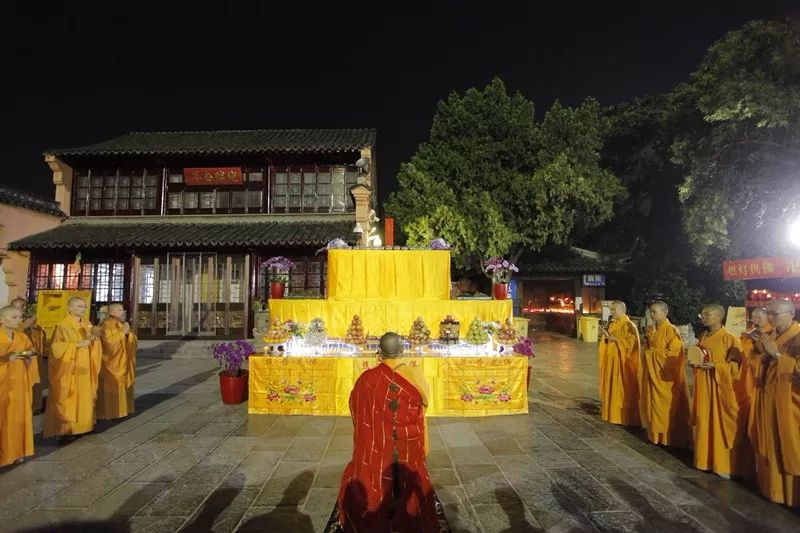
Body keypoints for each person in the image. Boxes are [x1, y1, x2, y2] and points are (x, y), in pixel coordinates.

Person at [337, 332, 438, 532]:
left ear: (379, 353)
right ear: (402, 351)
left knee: (376, 459)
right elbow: (421, 407)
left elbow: (356, 405)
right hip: (407, 443)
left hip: (377, 447)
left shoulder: (367, 379)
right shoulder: (414, 374)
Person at [749, 299, 800, 506]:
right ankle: (772, 489)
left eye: (774, 314)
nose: (769, 318)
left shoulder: (797, 336)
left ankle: (792, 495)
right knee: (768, 441)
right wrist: (757, 347)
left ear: (792, 314)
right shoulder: (770, 335)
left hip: (789, 402)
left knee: (790, 445)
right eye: (768, 314)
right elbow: (756, 359)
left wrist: (777, 356)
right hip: (768, 397)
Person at [691, 304, 751, 479]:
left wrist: (716, 366)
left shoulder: (730, 339)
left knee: (720, 425)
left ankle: (722, 464)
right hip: (704, 387)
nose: (703, 317)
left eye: (707, 314)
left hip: (720, 390)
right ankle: (704, 460)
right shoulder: (704, 335)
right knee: (704, 422)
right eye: (702, 314)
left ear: (719, 317)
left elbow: (735, 368)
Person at [43, 296, 102, 441]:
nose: (82, 309)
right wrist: (75, 345)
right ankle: (66, 430)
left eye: (83, 307)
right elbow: (55, 349)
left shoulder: (87, 324)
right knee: (68, 398)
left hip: (85, 367)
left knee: (85, 396)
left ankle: (84, 426)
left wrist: (95, 339)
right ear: (69, 308)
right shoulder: (62, 325)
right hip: (69, 369)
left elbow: (92, 344)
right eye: (78, 306)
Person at [640, 301, 690, 447]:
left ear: (665, 312)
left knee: (665, 408)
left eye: (654, 311)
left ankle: (667, 438)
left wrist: (651, 353)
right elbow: (647, 348)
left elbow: (674, 355)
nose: (652, 314)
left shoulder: (671, 330)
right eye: (651, 311)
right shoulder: (651, 329)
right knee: (652, 405)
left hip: (665, 377)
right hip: (652, 373)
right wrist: (647, 346)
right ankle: (654, 436)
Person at [0, 305, 40, 466]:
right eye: (13, 317)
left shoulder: (22, 337)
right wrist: (4, 358)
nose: (18, 320)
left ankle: (16, 451)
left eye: (19, 317)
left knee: (17, 417)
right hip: (3, 384)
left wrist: (29, 355)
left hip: (19, 383)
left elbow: (31, 351)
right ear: (1, 319)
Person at [598, 300, 641, 426]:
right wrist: (606, 338)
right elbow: (608, 341)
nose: (611, 313)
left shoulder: (629, 325)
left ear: (622, 310)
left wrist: (615, 340)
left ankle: (623, 417)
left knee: (621, 389)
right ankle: (611, 414)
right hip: (612, 362)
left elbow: (632, 345)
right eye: (610, 310)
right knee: (611, 387)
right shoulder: (613, 324)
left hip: (622, 364)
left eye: (613, 310)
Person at [96, 303, 137, 420]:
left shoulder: (121, 324)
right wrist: (122, 333)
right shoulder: (105, 325)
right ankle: (109, 412)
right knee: (111, 386)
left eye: (123, 310)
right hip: (110, 363)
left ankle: (122, 410)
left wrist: (129, 334)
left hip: (123, 361)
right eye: (119, 310)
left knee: (123, 384)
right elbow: (108, 344)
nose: (123, 312)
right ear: (111, 312)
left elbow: (131, 339)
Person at [10, 297, 48, 413]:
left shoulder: (32, 325)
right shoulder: (7, 322)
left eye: (25, 306)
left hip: (34, 360)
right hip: (17, 362)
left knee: (35, 381)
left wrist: (36, 328)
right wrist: (24, 326)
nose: (24, 308)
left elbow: (42, 341)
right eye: (21, 306)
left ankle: (35, 406)